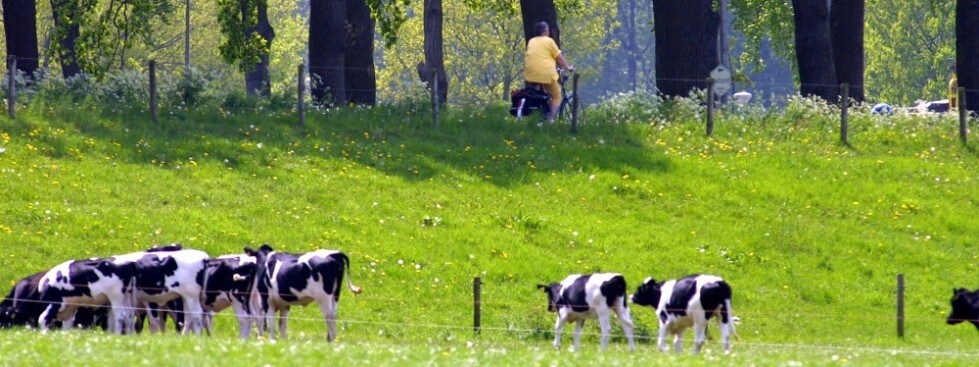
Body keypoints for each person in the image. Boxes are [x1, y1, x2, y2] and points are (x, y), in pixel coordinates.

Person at [524, 22, 574, 123]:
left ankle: (537, 119)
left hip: (531, 74)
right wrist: (568, 67)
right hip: (546, 74)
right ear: (546, 31)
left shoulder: (532, 41)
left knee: (538, 96)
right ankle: (549, 121)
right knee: (556, 96)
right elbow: (559, 58)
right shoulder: (549, 41)